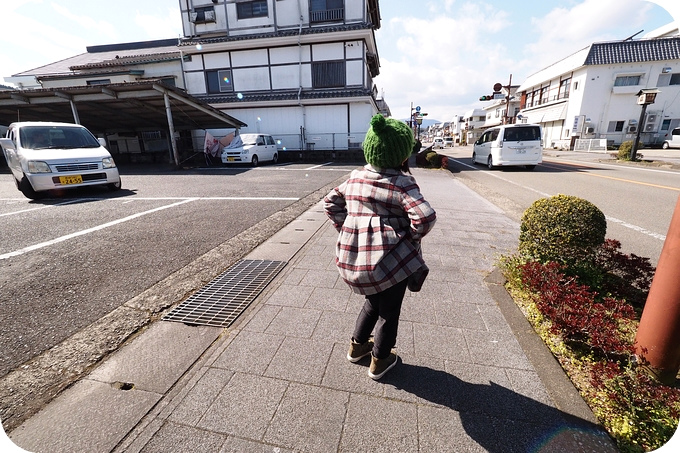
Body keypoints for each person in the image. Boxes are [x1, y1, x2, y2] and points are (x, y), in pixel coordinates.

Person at [323, 114, 437, 380]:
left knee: (372, 303)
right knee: (389, 311)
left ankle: (357, 346)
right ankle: (380, 359)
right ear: (401, 156)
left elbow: (330, 202)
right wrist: (409, 237)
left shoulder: (355, 178)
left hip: (358, 259)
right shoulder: (401, 184)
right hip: (390, 262)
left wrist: (349, 228)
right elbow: (424, 217)